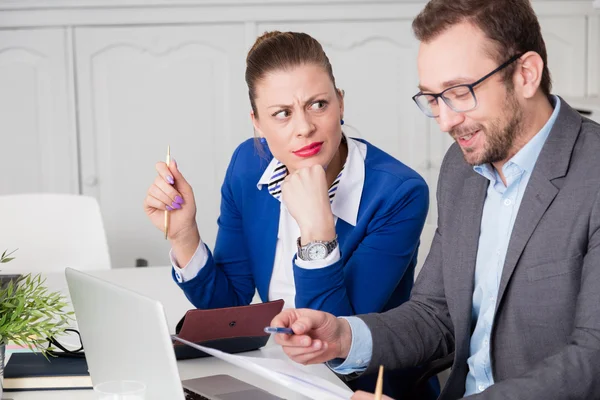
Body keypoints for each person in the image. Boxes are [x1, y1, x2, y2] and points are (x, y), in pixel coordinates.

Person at [270, 1, 600, 399]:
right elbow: (435, 314)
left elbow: (591, 362)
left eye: (459, 93)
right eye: (432, 98)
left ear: (526, 75)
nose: (445, 121)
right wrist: (342, 336)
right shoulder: (462, 169)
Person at [143, 31, 437, 398]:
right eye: (282, 114)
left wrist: (317, 230)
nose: (304, 128)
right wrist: (184, 234)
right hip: (276, 374)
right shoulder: (248, 166)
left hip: (361, 387)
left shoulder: (398, 193)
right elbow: (228, 308)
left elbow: (335, 339)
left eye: (318, 104)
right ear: (257, 123)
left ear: (340, 103)